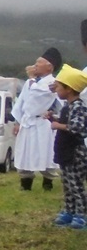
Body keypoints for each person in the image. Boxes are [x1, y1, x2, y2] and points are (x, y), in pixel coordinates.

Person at [13, 48, 62, 191]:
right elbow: (21, 102)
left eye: (39, 63)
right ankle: (25, 183)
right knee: (25, 154)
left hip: (43, 124)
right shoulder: (31, 83)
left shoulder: (52, 83)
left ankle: (48, 183)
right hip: (27, 122)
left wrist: (53, 112)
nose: (35, 65)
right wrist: (17, 121)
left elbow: (42, 96)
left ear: (49, 66)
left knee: (46, 154)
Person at [49, 65, 87, 228]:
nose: (56, 90)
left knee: (76, 184)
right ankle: (69, 211)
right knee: (67, 184)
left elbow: (79, 127)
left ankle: (82, 214)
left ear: (69, 89)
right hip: (65, 152)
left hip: (75, 153)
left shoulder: (79, 106)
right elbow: (65, 121)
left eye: (58, 87)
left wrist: (58, 125)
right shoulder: (68, 107)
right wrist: (53, 118)